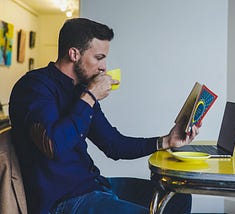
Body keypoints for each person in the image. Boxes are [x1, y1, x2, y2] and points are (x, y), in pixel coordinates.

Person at [9, 18, 200, 214]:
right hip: (63, 201)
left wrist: (166, 141)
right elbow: (53, 145)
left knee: (177, 198)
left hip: (94, 185)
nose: (104, 67)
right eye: (99, 58)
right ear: (74, 54)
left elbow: (114, 145)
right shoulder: (34, 87)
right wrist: (90, 96)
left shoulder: (80, 91)